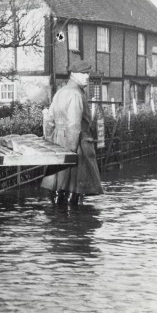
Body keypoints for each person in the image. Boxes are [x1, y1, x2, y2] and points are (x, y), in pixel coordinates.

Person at [40, 60, 103, 206]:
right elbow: (74, 125)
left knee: (59, 185)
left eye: (87, 73)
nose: (87, 76)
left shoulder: (60, 92)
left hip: (58, 141)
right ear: (73, 75)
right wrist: (70, 153)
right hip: (75, 144)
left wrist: (51, 145)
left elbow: (49, 121)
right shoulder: (76, 94)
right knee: (74, 188)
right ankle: (72, 222)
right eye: (83, 73)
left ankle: (57, 219)